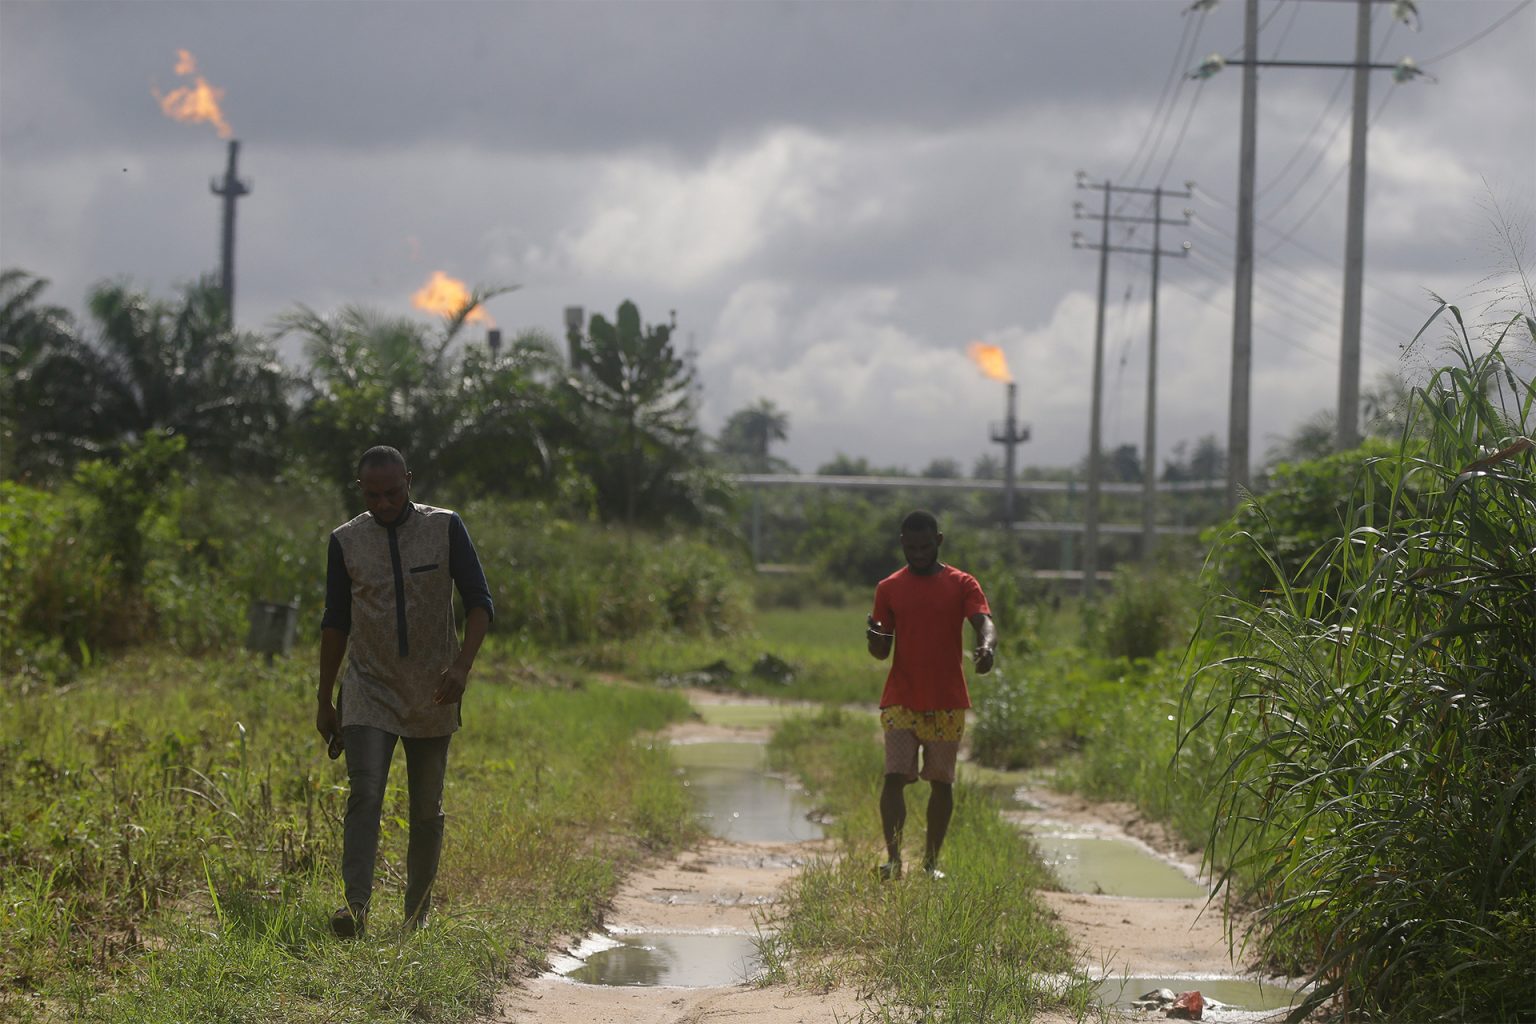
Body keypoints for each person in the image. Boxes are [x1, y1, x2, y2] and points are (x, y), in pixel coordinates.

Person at [316, 445, 494, 936]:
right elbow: (335, 621)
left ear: (409, 481)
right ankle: (355, 909)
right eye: (373, 495)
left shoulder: (444, 527)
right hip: (369, 686)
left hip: (434, 690)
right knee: (365, 792)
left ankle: (416, 915)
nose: (384, 503)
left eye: (393, 492)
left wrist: (462, 667)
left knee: (425, 806)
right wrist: (325, 696)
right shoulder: (346, 541)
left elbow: (480, 603)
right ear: (360, 490)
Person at [865, 509, 995, 880]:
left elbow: (983, 621)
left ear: (938, 541)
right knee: (894, 777)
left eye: (925, 546)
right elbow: (880, 651)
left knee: (941, 781)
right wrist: (874, 637)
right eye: (911, 547)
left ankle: (931, 864)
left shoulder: (961, 583)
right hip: (901, 698)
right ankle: (893, 860)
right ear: (902, 544)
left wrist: (986, 648)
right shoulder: (888, 588)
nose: (918, 554)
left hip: (947, 701)